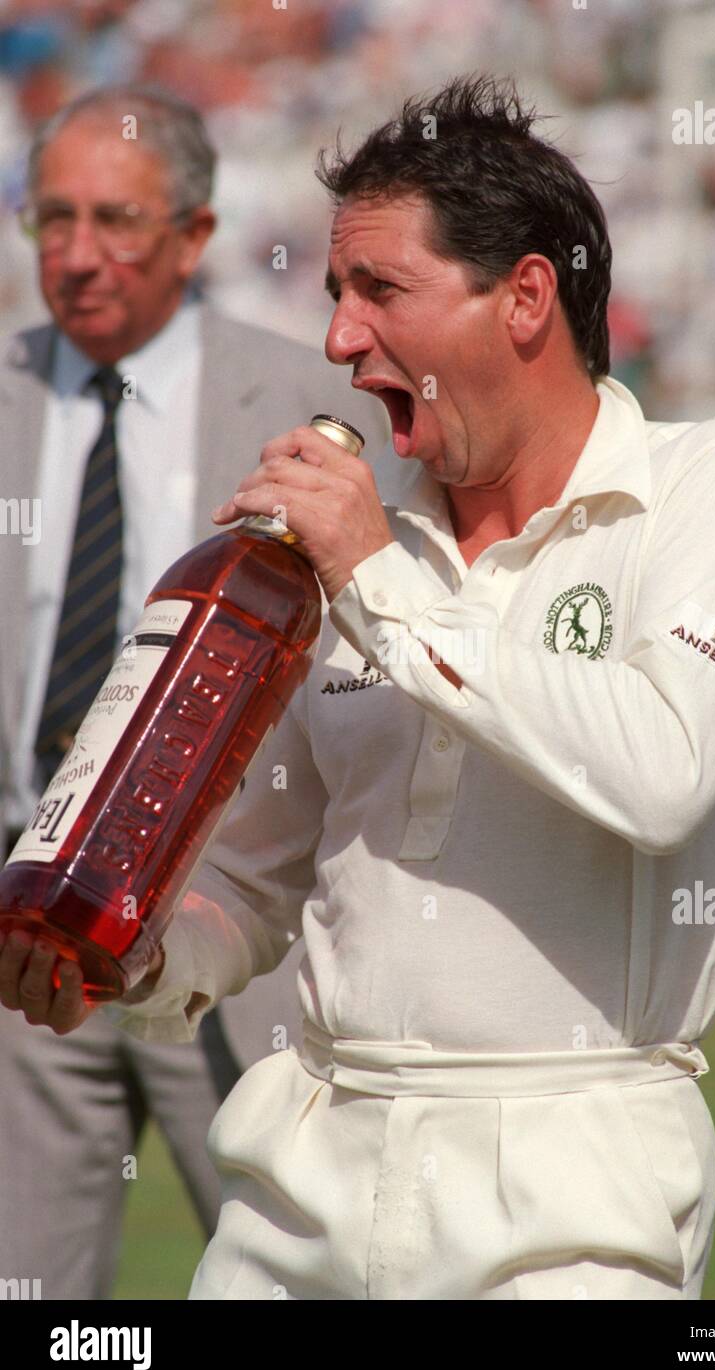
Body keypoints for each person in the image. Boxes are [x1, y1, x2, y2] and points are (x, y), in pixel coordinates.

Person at [0, 74, 715, 1300]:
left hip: (572, 1201)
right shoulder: (359, 557)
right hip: (297, 1186)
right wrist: (137, 952)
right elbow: (251, 882)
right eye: (335, 295)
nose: (336, 339)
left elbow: (663, 772)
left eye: (379, 291)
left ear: (525, 297)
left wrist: (377, 578)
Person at [0, 82, 387, 1301]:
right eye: (49, 219)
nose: (76, 255)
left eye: (115, 219)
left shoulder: (311, 407)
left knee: (287, 1278)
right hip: (29, 937)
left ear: (197, 233)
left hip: (231, 927)